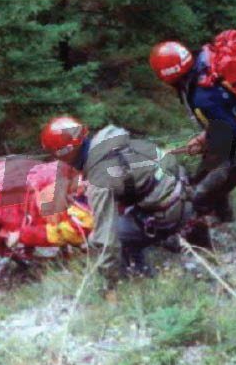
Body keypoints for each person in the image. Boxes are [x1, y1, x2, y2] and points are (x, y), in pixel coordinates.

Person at [149, 30, 236, 223]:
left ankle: (198, 243)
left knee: (199, 196)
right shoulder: (202, 70)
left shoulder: (200, 95)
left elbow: (230, 135)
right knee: (200, 180)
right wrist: (204, 140)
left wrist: (205, 143)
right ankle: (225, 221)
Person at [40, 116, 193, 279]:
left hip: (170, 212)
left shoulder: (99, 180)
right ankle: (168, 241)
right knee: (121, 217)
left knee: (101, 236)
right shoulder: (107, 141)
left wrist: (108, 280)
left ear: (65, 153)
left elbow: (106, 240)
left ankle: (136, 278)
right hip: (183, 193)